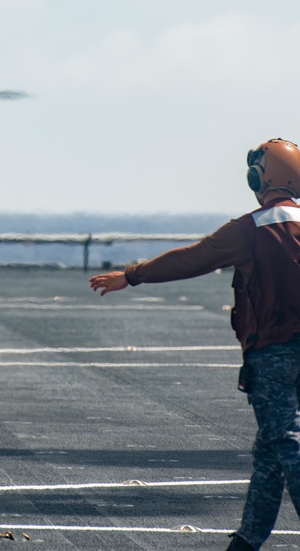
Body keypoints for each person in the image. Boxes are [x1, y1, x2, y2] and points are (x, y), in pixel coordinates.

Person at [89, 138, 300, 551]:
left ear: (261, 176)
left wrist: (131, 275)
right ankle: (246, 542)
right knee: (271, 454)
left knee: (285, 445)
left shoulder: (250, 229)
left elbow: (192, 258)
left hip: (273, 352)